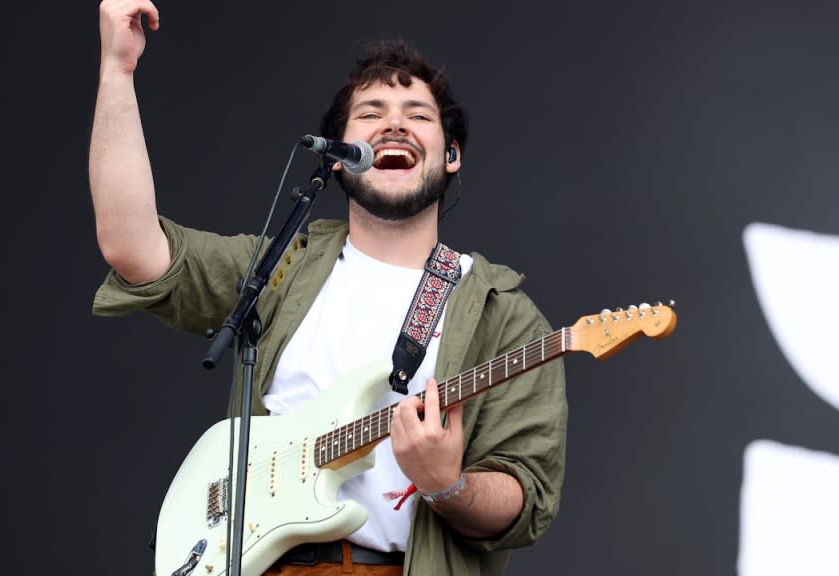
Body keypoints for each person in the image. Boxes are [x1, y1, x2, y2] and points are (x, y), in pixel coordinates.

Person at [88, 1, 567, 574]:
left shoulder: (504, 316)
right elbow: (133, 247)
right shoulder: (282, 265)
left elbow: (526, 497)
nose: (394, 124)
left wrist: (448, 485)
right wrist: (117, 72)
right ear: (338, 159)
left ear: (451, 155)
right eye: (370, 114)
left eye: (418, 114)